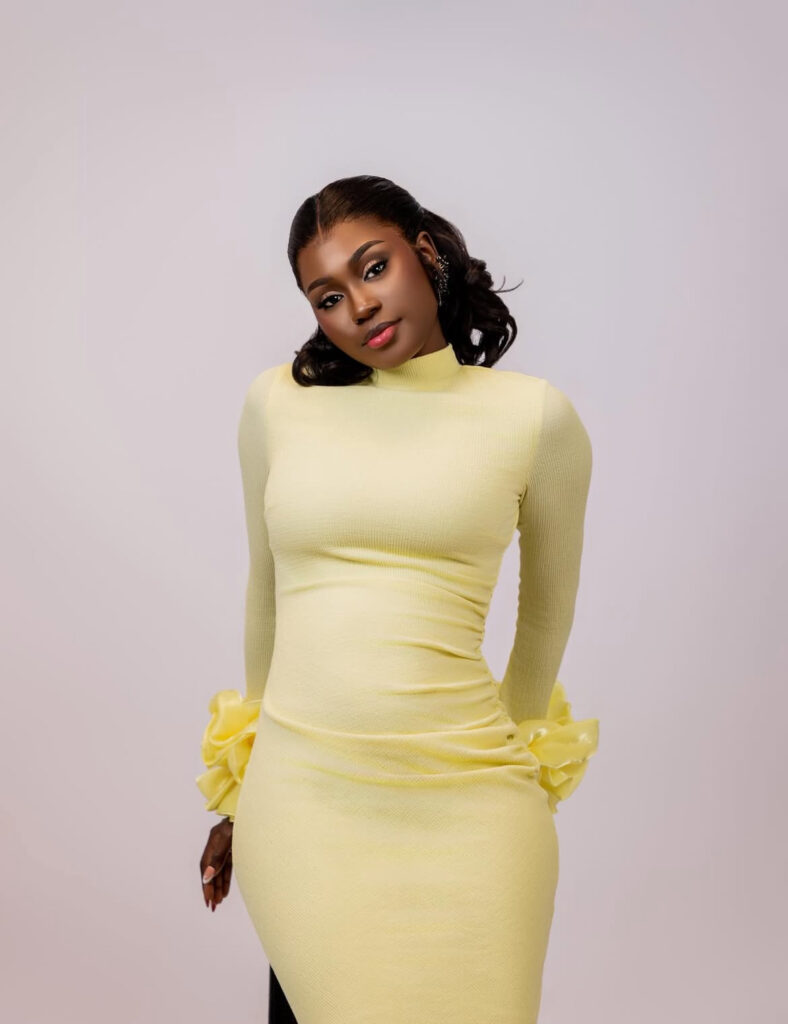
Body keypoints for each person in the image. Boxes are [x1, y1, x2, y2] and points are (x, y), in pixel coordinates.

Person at [195, 174, 599, 1024]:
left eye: (373, 268)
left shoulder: (534, 418)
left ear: (423, 253)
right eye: (327, 297)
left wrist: (516, 760)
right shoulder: (278, 403)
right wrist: (238, 796)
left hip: (473, 806)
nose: (359, 308)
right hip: (306, 805)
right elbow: (266, 594)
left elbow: (544, 616)